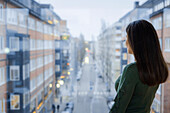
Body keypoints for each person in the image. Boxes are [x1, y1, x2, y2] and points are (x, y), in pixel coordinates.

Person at [109, 20, 168, 113]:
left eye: (127, 38)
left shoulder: (132, 70)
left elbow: (118, 109)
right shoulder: (156, 68)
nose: (125, 42)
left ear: (136, 42)